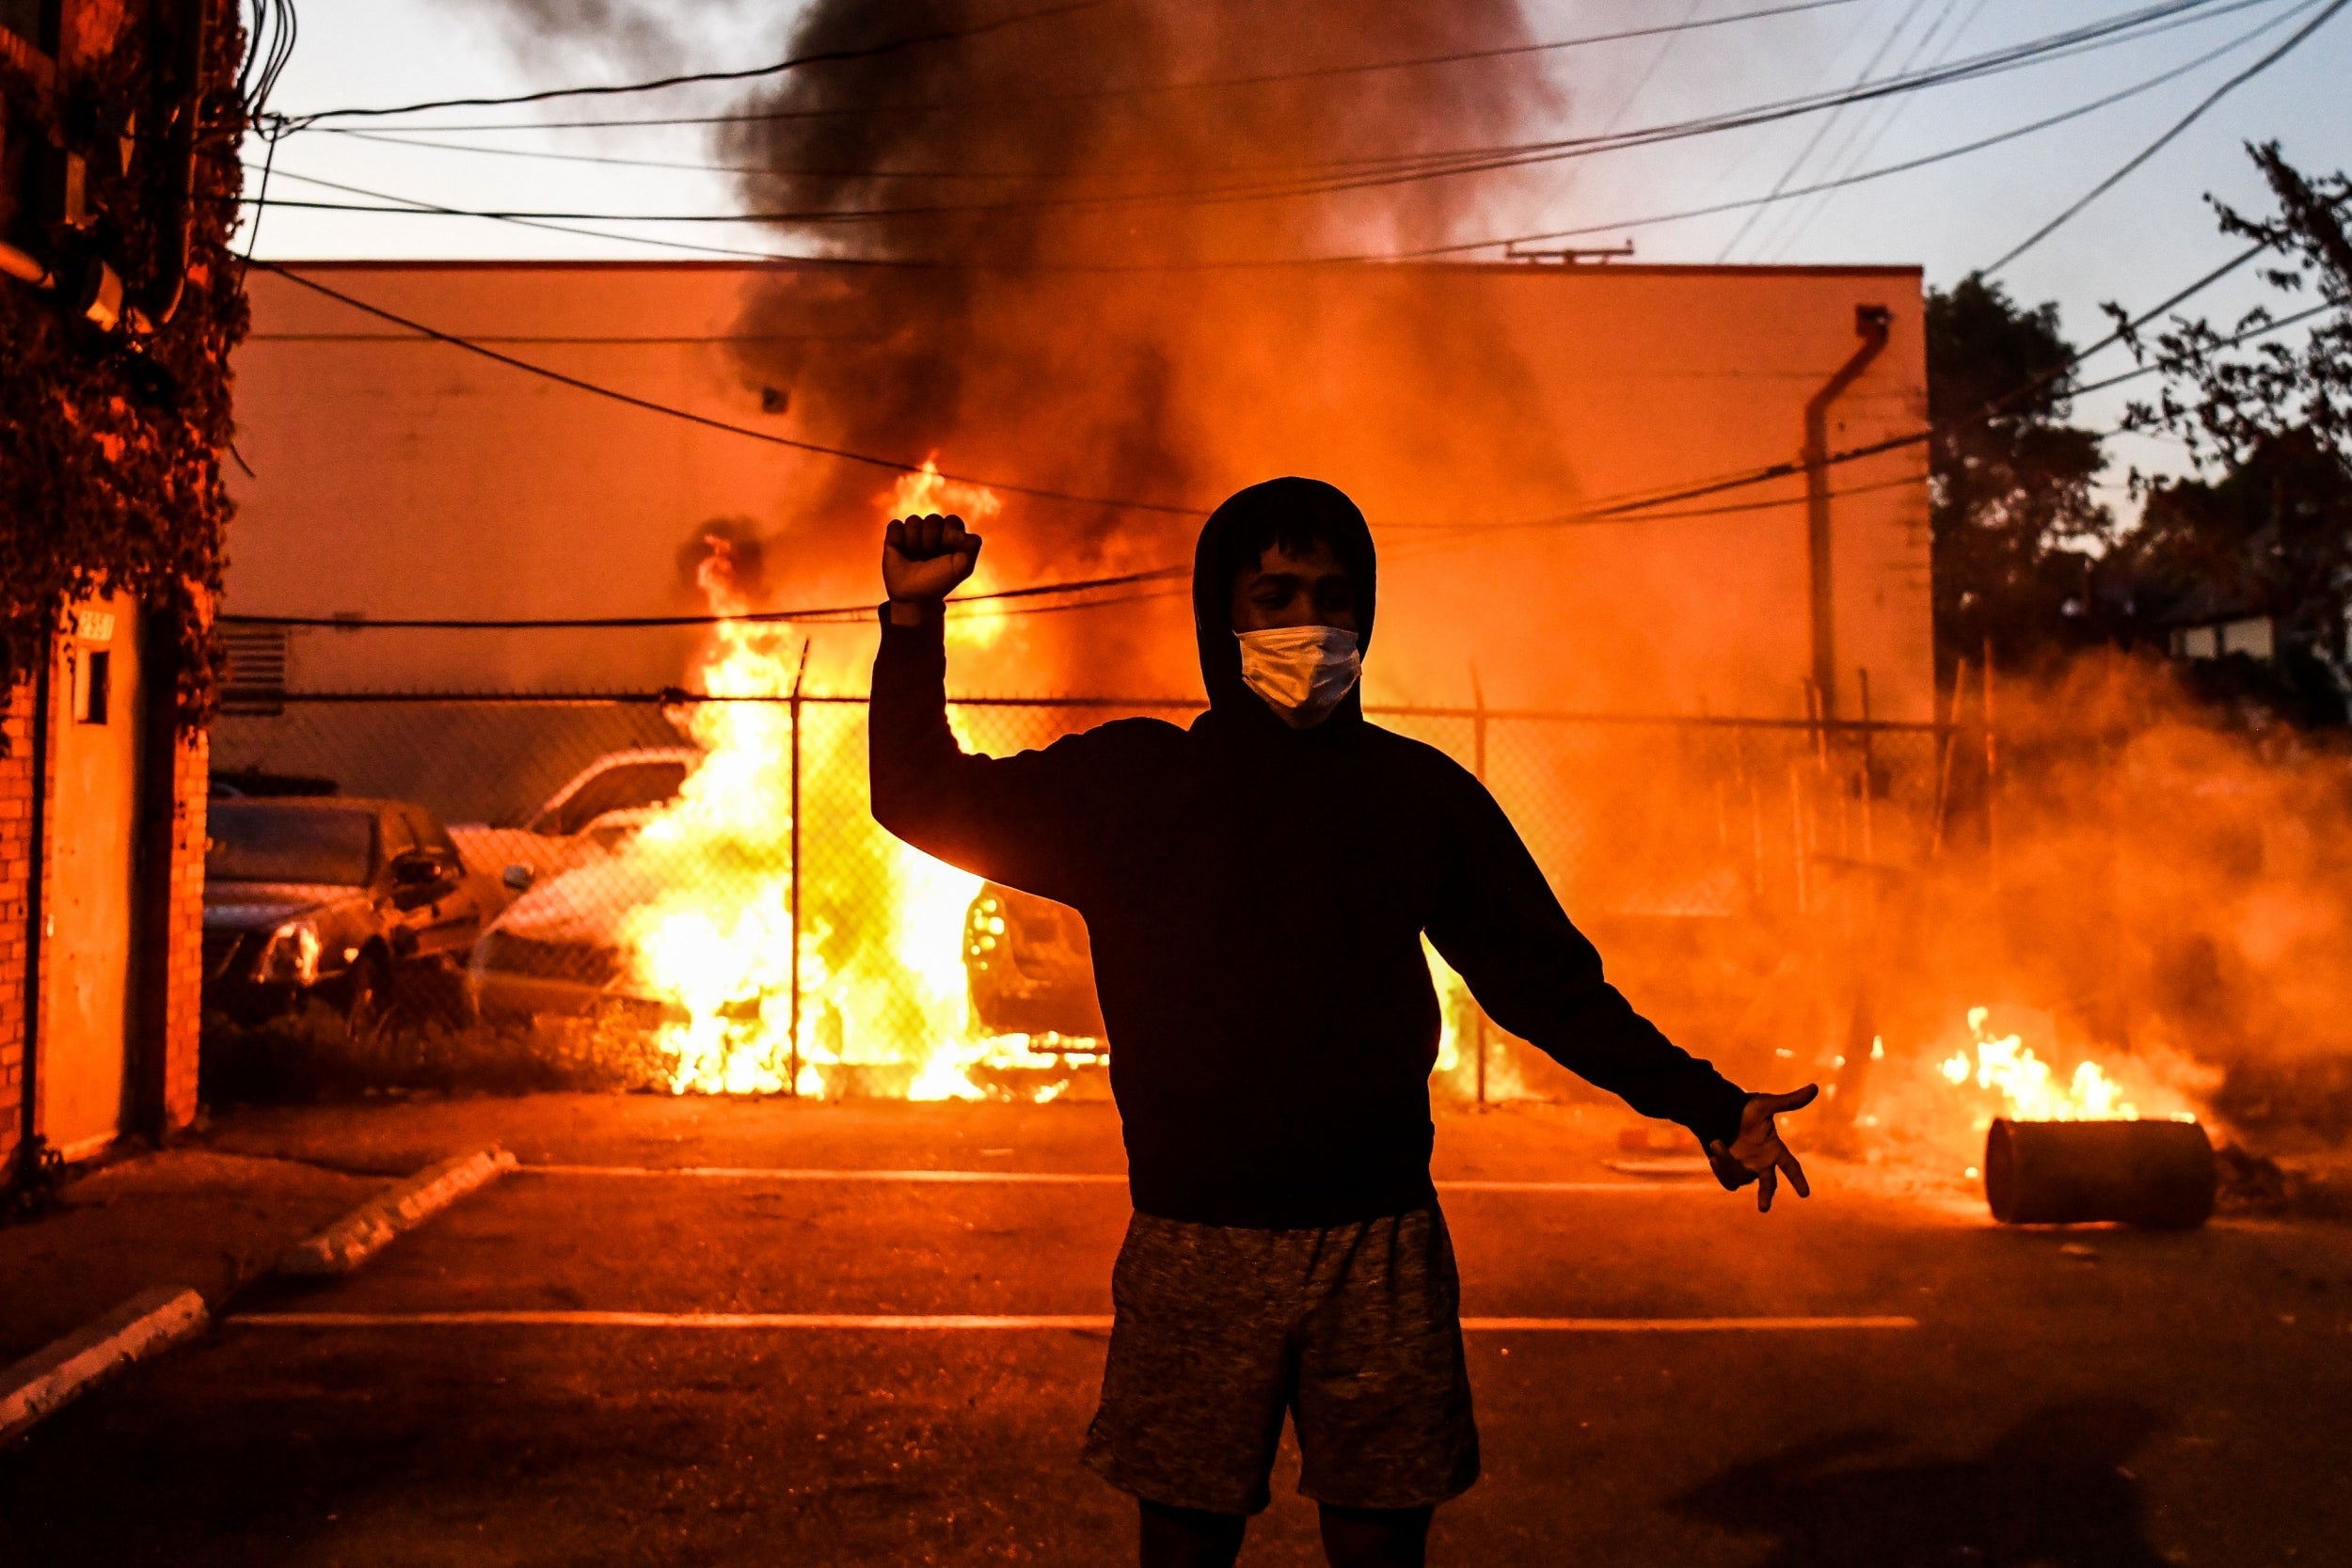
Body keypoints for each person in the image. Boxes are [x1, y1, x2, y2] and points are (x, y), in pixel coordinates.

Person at [869, 476, 1817, 1568]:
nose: (1306, 624)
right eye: (1274, 594)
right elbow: (923, 796)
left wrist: (1706, 1102)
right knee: (1185, 1542)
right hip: (1196, 1244)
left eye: (1331, 595)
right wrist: (911, 620)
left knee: (1380, 1543)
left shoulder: (1417, 797)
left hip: (1380, 1242)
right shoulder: (1136, 787)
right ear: (1221, 616)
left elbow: (1545, 984)